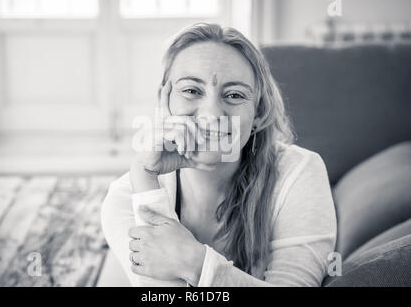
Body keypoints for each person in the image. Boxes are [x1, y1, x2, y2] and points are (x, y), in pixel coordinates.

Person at [101, 23, 337, 287]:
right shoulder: (125, 196)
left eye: (234, 95)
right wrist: (144, 177)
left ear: (258, 113)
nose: (211, 114)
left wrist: (195, 263)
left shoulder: (300, 172)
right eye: (191, 91)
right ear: (165, 101)